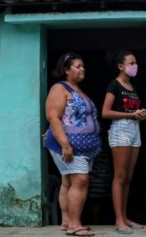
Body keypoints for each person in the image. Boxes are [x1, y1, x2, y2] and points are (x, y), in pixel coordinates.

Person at [44, 52, 102, 237]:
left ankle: (66, 221)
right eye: (78, 66)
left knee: (68, 181)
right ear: (66, 70)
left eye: (83, 66)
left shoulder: (78, 90)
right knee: (80, 180)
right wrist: (65, 145)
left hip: (86, 147)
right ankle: (75, 225)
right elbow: (53, 118)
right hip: (69, 145)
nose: (82, 69)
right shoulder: (59, 89)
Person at [102, 50, 146, 234]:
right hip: (120, 129)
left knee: (128, 177)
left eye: (135, 62)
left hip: (134, 129)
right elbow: (105, 112)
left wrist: (139, 114)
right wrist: (131, 114)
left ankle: (125, 217)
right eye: (131, 63)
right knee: (119, 177)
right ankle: (118, 220)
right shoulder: (114, 85)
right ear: (121, 66)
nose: (134, 66)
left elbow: (133, 111)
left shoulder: (133, 86)